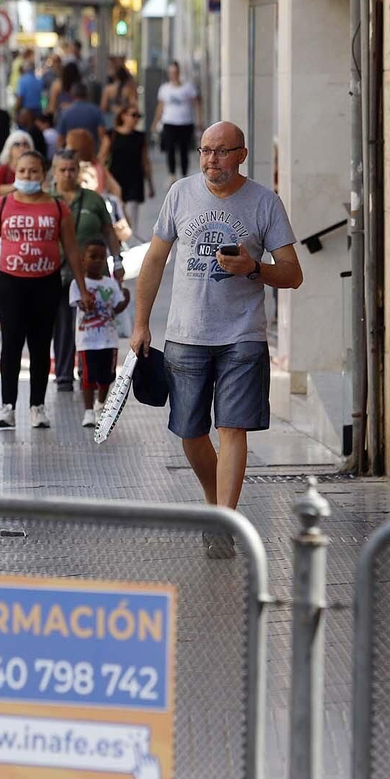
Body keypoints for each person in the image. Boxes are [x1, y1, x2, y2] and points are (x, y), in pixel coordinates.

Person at [131, 122, 303, 558]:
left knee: (232, 427)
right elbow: (153, 260)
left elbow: (293, 273)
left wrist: (254, 268)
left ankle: (225, 520)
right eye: (206, 151)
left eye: (222, 152)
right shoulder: (180, 194)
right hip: (186, 334)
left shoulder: (265, 202)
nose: (211, 160)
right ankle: (216, 506)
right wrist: (141, 323)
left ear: (242, 155)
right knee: (190, 431)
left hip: (242, 335)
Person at [0, 149, 91, 431]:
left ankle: (37, 406)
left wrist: (82, 287)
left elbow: (72, 249)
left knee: (40, 347)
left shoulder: (57, 206)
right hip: (11, 283)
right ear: (15, 171)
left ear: (44, 174)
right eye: (23, 171)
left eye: (34, 171)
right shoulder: (1, 205)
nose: (27, 176)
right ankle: (8, 407)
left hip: (46, 282)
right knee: (11, 345)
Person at [49, 150, 122, 394]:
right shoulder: (47, 198)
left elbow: (109, 231)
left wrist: (118, 261)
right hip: (57, 273)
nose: (68, 174)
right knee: (62, 323)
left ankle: (89, 374)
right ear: (54, 171)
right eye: (63, 169)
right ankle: (63, 376)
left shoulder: (93, 199)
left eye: (72, 169)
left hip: (92, 275)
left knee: (91, 322)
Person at [70, 239, 129, 428]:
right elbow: (78, 303)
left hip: (109, 340)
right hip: (87, 340)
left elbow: (117, 307)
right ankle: (88, 411)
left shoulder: (110, 284)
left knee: (107, 376)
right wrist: (85, 304)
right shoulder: (78, 284)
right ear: (82, 259)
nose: (97, 261)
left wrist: (125, 299)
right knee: (88, 375)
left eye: (102, 257)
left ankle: (100, 405)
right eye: (92, 256)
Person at [101, 104, 154, 236]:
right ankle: (119, 240)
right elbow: (102, 157)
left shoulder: (140, 137)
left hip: (135, 179)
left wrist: (150, 184)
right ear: (123, 116)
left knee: (132, 213)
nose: (136, 119)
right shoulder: (111, 135)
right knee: (116, 213)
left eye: (138, 116)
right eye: (133, 115)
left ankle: (131, 240)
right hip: (115, 179)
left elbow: (145, 160)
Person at [156, 62, 201, 179]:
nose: (173, 75)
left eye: (175, 72)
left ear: (179, 72)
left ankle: (184, 174)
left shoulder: (188, 87)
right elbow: (160, 106)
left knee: (184, 150)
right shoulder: (164, 88)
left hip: (185, 122)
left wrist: (199, 120)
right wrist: (156, 121)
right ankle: (172, 174)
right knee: (170, 149)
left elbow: (197, 103)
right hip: (169, 122)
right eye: (171, 72)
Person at [66, 127, 119, 200]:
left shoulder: (77, 168)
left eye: (68, 144)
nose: (66, 147)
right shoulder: (98, 167)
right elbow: (117, 190)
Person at [0, 129, 35, 200]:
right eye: (17, 144)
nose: (22, 148)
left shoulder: (35, 168)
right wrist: (18, 186)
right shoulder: (4, 168)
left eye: (25, 144)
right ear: (9, 149)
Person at [15, 50, 44, 115]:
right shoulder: (39, 80)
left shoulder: (23, 80)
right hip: (38, 110)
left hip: (27, 112)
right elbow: (43, 97)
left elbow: (20, 98)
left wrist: (16, 111)